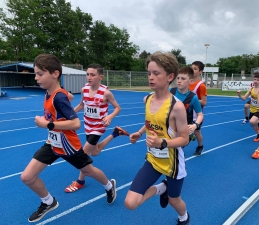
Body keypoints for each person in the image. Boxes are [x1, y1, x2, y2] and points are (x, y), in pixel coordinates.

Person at [21, 54, 117, 223]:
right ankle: (48, 202)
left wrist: (48, 124)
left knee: (88, 171)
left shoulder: (58, 97)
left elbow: (75, 124)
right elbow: (70, 98)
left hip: (68, 145)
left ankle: (109, 186)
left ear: (55, 73)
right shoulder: (52, 94)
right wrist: (64, 102)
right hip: (52, 143)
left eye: (40, 74)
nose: (36, 78)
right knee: (27, 177)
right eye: (35, 74)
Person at [124, 51, 190, 225]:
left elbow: (184, 139)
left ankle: (184, 217)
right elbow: (151, 122)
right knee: (130, 203)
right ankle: (162, 189)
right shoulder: (147, 99)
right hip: (153, 159)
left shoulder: (177, 107)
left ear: (170, 77)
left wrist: (162, 142)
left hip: (172, 163)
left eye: (156, 73)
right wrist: (139, 132)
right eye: (149, 73)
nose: (151, 77)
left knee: (175, 200)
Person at [64, 63, 129, 193]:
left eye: (92, 75)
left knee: (83, 154)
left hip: (98, 127)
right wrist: (69, 115)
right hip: (88, 125)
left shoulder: (106, 93)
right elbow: (82, 105)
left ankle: (80, 182)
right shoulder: (84, 90)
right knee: (95, 152)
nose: (89, 77)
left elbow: (118, 108)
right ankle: (115, 134)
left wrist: (109, 117)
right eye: (87, 74)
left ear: (100, 77)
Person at [169, 66, 203, 147]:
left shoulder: (193, 98)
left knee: (177, 149)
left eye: (183, 79)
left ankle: (199, 145)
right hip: (170, 127)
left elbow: (200, 114)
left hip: (183, 129)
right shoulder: (170, 91)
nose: (179, 81)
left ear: (190, 81)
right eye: (178, 78)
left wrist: (195, 125)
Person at [237, 73, 259, 142]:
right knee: (252, 123)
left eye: (258, 80)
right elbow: (244, 98)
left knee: (252, 122)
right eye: (254, 79)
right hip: (252, 110)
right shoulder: (251, 89)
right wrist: (239, 95)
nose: (255, 81)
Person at [190, 61, 207, 156]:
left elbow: (204, 102)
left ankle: (200, 146)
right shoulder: (186, 82)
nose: (192, 70)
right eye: (191, 67)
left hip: (196, 115)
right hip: (185, 113)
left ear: (200, 71)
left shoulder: (201, 85)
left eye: (195, 68)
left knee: (197, 132)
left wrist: (191, 99)